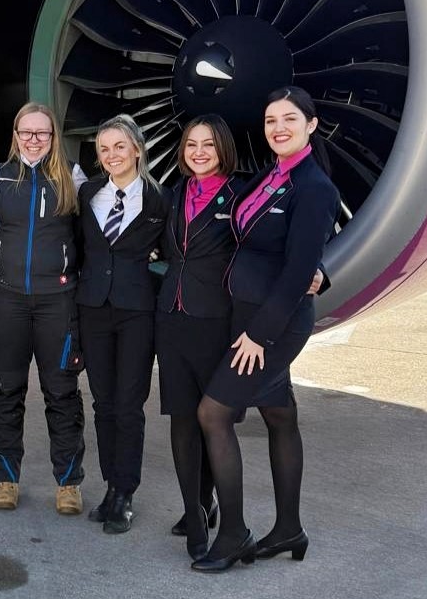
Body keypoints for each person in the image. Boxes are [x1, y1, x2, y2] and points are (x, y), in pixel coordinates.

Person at [192, 86, 340, 572]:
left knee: (213, 414)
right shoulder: (272, 175)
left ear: (311, 125)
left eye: (289, 119)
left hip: (271, 324)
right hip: (249, 314)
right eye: (271, 119)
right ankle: (288, 529)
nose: (278, 127)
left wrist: (260, 334)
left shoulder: (314, 187)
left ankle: (233, 533)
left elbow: (301, 271)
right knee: (279, 416)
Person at [0, 102, 88, 514]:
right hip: (7, 299)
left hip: (56, 300)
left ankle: (68, 483)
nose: (33, 139)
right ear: (15, 134)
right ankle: (6, 477)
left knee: (61, 391)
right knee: (5, 389)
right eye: (26, 132)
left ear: (53, 137)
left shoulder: (72, 179)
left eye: (42, 133)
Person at [75, 114, 169, 535]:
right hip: (93, 308)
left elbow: (172, 255)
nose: (111, 155)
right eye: (103, 149)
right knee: (103, 403)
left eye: (119, 147)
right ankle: (110, 485)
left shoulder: (159, 199)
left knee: (129, 406)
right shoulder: (88, 194)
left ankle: (125, 492)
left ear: (136, 149)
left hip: (136, 312)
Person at [155, 115, 242, 559]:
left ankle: (212, 509)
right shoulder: (172, 197)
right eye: (192, 144)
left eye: (208, 144)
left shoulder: (240, 197)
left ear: (222, 147)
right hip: (172, 320)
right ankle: (193, 512)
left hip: (216, 323)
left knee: (214, 421)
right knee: (182, 421)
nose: (200, 152)